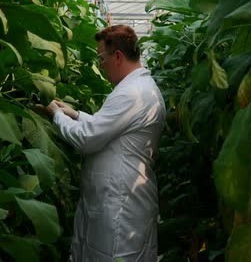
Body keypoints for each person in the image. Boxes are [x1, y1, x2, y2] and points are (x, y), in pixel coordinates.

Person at [37, 25, 166, 261]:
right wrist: (75, 114)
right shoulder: (138, 89)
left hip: (120, 203)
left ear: (117, 56)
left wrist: (55, 113)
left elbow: (87, 138)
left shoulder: (133, 93)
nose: (100, 65)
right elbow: (110, 128)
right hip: (118, 198)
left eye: (101, 58)